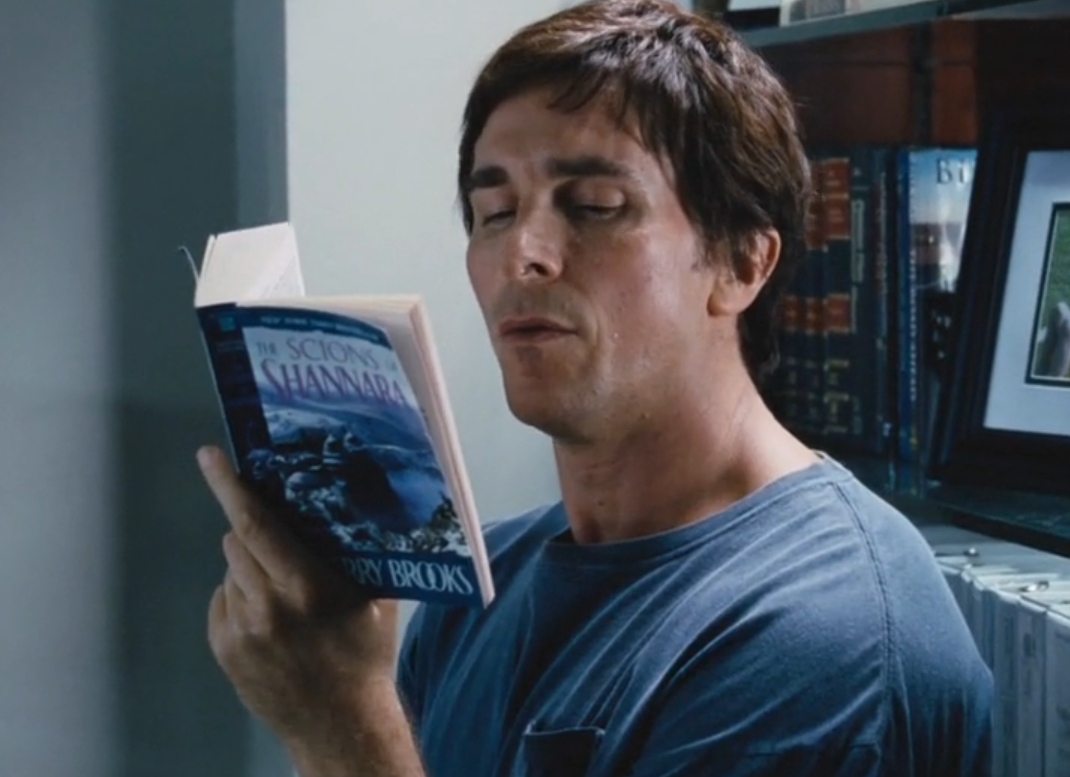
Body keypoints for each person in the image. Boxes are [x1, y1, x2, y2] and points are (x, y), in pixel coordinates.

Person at [198, 1, 993, 775]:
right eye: (494, 211)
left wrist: (341, 719)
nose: (524, 252)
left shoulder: (824, 637)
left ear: (741, 262)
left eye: (595, 206)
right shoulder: (478, 587)